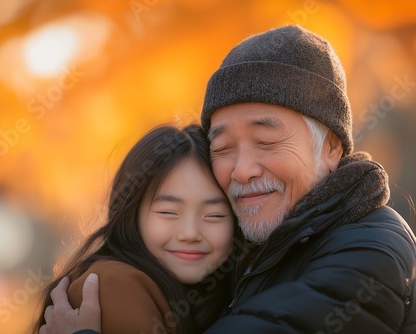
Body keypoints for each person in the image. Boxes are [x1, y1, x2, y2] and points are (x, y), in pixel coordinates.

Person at [42, 25, 416, 333]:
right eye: (222, 147)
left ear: (332, 147)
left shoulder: (364, 250)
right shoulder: (259, 249)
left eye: (266, 141)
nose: (241, 170)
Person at [36, 124, 241, 334]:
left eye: (214, 215)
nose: (190, 233)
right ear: (132, 213)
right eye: (168, 212)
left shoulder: (216, 296)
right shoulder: (114, 287)